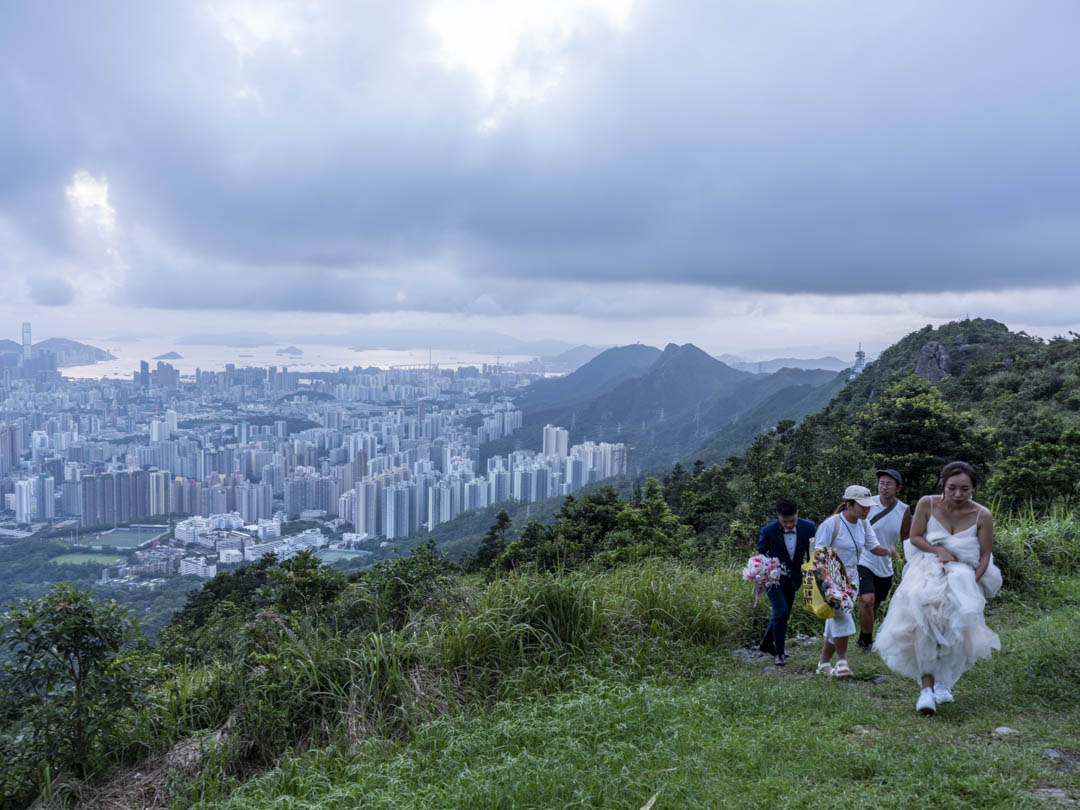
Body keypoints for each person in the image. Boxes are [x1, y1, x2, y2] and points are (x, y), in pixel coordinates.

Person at [874, 461, 1001, 713]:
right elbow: (915, 537)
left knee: (953, 632)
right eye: (952, 488)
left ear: (972, 488)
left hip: (964, 578)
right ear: (943, 484)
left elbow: (985, 554)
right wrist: (938, 549)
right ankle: (926, 690)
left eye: (964, 489)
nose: (957, 495)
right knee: (924, 627)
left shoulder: (982, 514)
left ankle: (943, 683)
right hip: (927, 573)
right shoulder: (927, 503)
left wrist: (970, 584)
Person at [815, 485, 899, 678]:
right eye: (862, 506)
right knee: (842, 615)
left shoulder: (864, 524)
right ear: (848, 504)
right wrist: (828, 580)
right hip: (831, 577)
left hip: (852, 579)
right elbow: (819, 554)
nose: (866, 510)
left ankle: (823, 662)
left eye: (868, 506)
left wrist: (888, 551)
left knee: (836, 618)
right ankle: (842, 662)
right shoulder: (831, 524)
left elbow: (873, 546)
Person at [855, 469, 912, 652]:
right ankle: (866, 642)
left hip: (885, 563)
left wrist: (910, 564)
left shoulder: (903, 510)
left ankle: (864, 635)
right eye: (881, 483)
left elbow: (906, 538)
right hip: (863, 558)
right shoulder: (867, 503)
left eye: (888, 484)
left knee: (875, 603)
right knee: (867, 599)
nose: (884, 487)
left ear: (898, 488)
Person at [756, 498, 816, 666]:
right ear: (778, 516)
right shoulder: (768, 530)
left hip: (794, 578)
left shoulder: (809, 527)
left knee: (783, 613)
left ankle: (765, 644)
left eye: (792, 521)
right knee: (781, 612)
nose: (789, 525)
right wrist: (763, 570)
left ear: (798, 513)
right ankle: (779, 653)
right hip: (772, 579)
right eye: (785, 522)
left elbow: (812, 553)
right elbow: (759, 553)